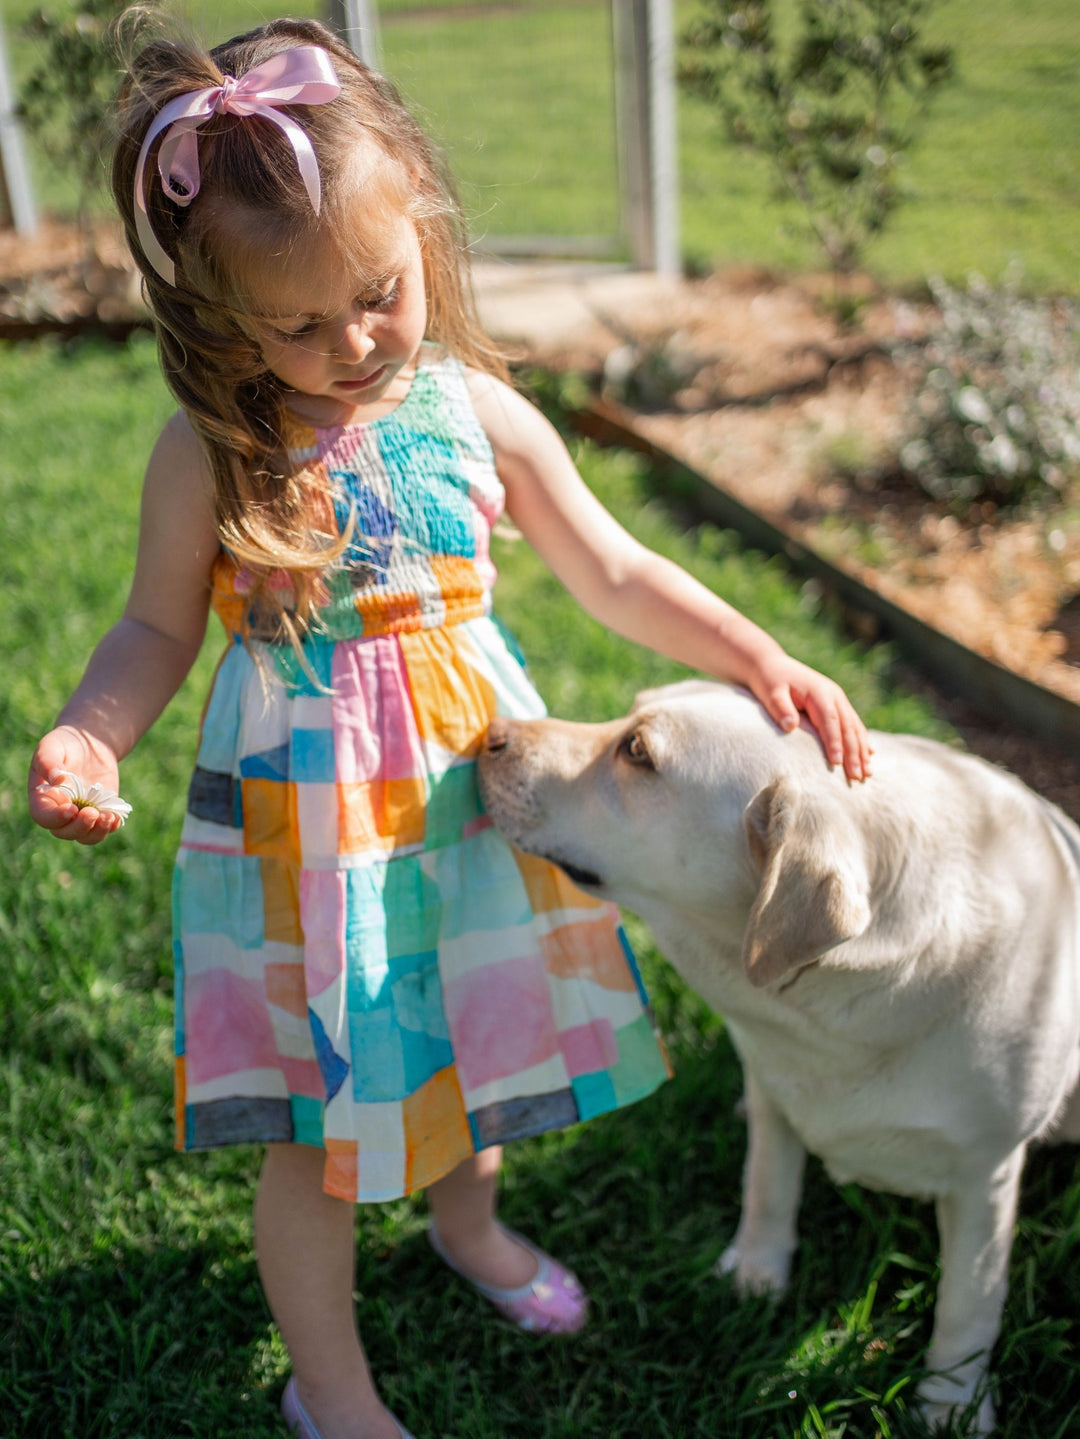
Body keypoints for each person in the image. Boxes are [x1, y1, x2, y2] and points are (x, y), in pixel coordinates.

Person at [28, 18, 873, 1439]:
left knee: (471, 1045)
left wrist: (756, 651)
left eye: (378, 295)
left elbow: (614, 571)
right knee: (319, 1124)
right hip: (310, 841)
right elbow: (155, 629)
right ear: (223, 313)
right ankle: (330, 1388)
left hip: (478, 803)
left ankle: (467, 1227)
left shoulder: (475, 409)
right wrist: (89, 734)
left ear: (422, 219)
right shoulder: (212, 451)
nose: (351, 344)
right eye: (296, 325)